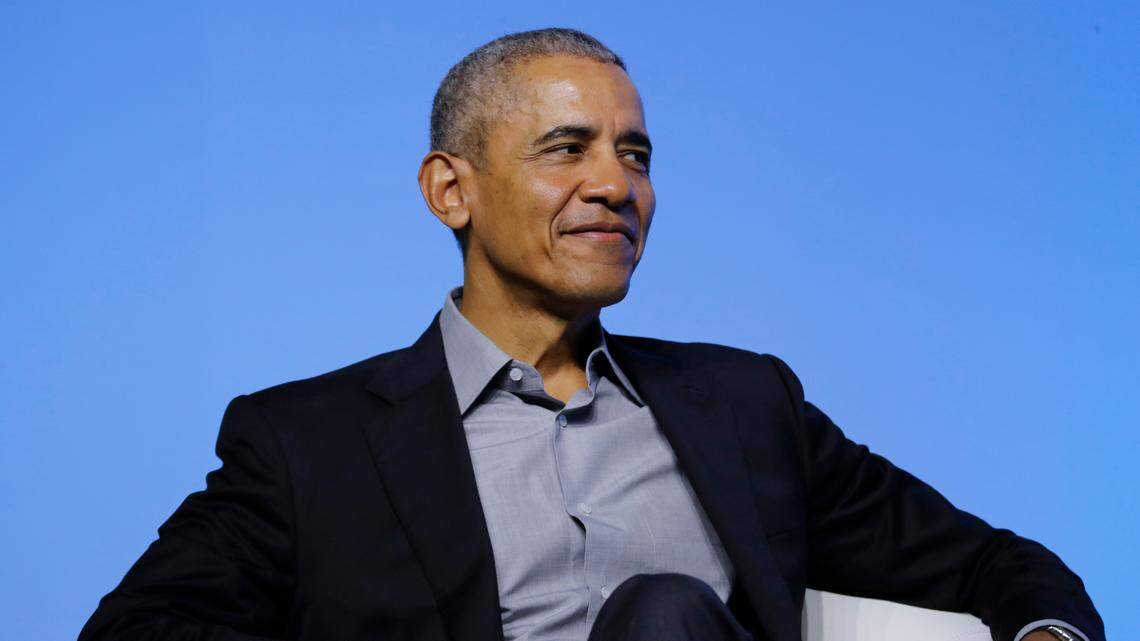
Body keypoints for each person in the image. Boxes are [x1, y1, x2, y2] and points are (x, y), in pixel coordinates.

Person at [78, 28, 1103, 641]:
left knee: (664, 611)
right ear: (451, 190)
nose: (616, 184)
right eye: (567, 149)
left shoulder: (746, 407)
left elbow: (994, 564)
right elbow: (136, 628)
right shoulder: (308, 442)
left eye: (636, 155)